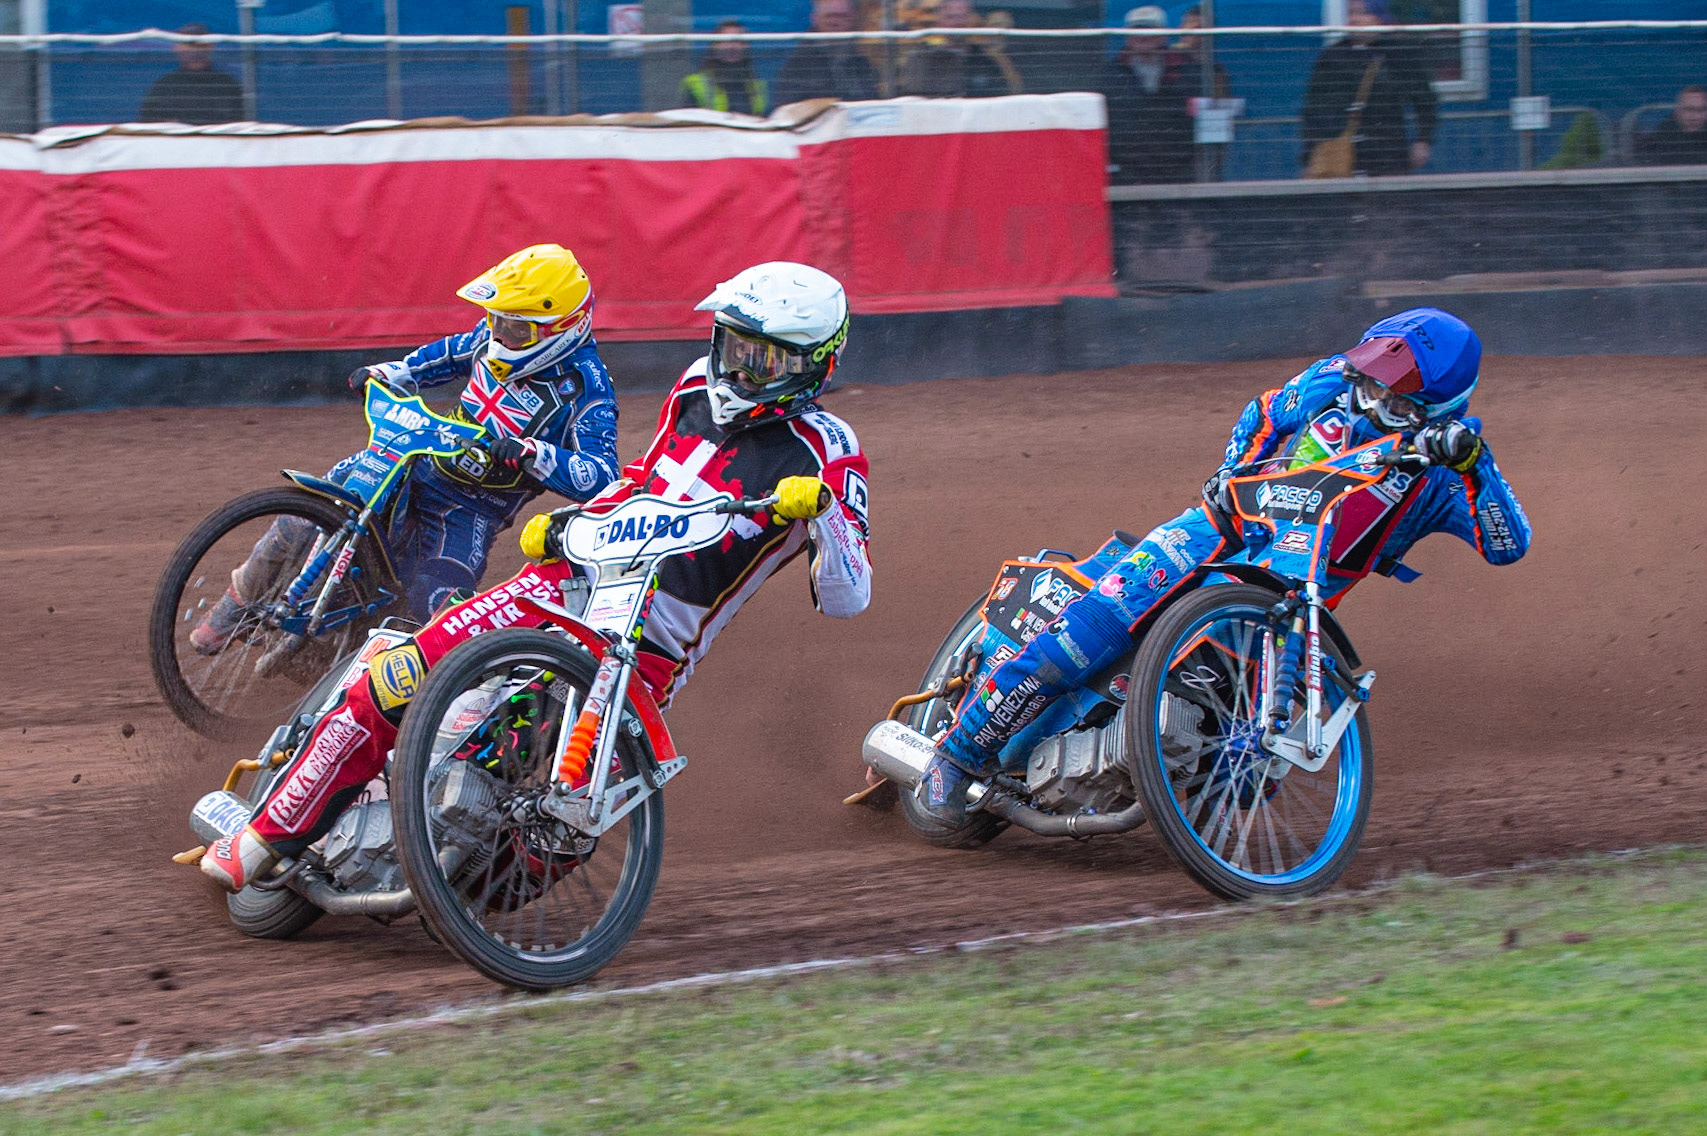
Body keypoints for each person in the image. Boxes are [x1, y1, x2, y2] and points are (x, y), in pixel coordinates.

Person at [201, 261, 873, 891]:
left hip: (647, 650)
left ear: (816, 363)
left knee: (547, 837)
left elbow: (850, 599)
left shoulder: (829, 452)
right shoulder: (696, 383)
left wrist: (824, 517)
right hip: (563, 584)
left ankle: (427, 874)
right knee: (400, 676)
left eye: (767, 359)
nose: (744, 371)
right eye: (735, 347)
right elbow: (641, 475)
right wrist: (572, 521)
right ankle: (266, 835)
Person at [916, 307, 1531, 822]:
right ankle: (958, 753)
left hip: (1281, 607)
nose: (1368, 401)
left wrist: (1474, 462)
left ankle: (1152, 797)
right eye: (1370, 384)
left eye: (1391, 400)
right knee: (1089, 634)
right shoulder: (1334, 383)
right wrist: (1230, 472)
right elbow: (1263, 415)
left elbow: (1509, 543)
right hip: (1215, 531)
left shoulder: (1443, 483)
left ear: (1438, 410)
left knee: (1246, 776)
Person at [189, 243, 621, 650]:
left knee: (438, 610)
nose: (500, 334)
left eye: (515, 327)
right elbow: (445, 356)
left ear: (564, 327)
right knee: (304, 514)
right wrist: (388, 372)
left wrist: (535, 454)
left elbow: (603, 475)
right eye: (496, 319)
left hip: (470, 508)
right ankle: (234, 606)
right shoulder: (493, 336)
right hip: (414, 457)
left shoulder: (588, 389)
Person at [1300, 0, 1437, 176]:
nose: (1354, 19)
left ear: (1379, 17)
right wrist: (1309, 157)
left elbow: (1425, 99)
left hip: (1387, 154)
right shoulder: (1333, 56)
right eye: (1351, 13)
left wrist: (1423, 140)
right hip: (1340, 154)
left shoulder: (1399, 53)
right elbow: (1313, 109)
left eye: (1362, 13)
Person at [1100, 6, 1199, 185]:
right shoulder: (1110, 74)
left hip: (1177, 171)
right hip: (1127, 172)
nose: (1143, 37)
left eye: (1150, 30)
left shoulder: (1187, 70)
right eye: (1137, 30)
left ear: (1163, 35)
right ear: (1127, 36)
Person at [896, 0, 1020, 99]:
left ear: (970, 19)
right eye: (951, 17)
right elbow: (911, 100)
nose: (958, 22)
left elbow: (1001, 96)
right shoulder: (922, 57)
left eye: (962, 16)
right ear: (939, 21)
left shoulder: (985, 59)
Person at [774, 0, 881, 106]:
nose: (834, 22)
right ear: (815, 18)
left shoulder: (861, 60)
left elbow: (872, 99)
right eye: (829, 16)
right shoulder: (800, 62)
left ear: (852, 19)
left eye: (841, 16)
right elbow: (788, 106)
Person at [138, 22, 244, 125]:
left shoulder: (226, 85)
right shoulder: (164, 86)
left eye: (199, 44)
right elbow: (150, 123)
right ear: (177, 48)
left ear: (210, 46)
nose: (194, 49)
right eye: (188, 44)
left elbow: (236, 122)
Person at [679, 20, 770, 116]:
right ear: (715, 46)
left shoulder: (757, 85)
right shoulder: (694, 83)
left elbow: (761, 116)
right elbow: (688, 121)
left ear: (746, 46)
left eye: (738, 41)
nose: (732, 46)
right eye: (726, 41)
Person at [1635, 85, 1707, 166]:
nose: (1695, 117)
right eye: (1688, 110)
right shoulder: (1662, 138)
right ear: (1677, 111)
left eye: (1701, 110)